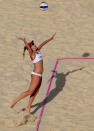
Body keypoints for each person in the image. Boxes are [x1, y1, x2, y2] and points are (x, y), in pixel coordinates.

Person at [10, 33, 56, 116]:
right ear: (30, 48)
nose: (34, 46)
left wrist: (50, 39)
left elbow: (43, 43)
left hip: (40, 75)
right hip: (35, 75)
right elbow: (28, 47)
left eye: (34, 45)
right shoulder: (32, 54)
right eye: (33, 46)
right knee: (30, 91)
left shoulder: (38, 51)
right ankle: (15, 101)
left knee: (35, 92)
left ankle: (28, 107)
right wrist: (25, 41)